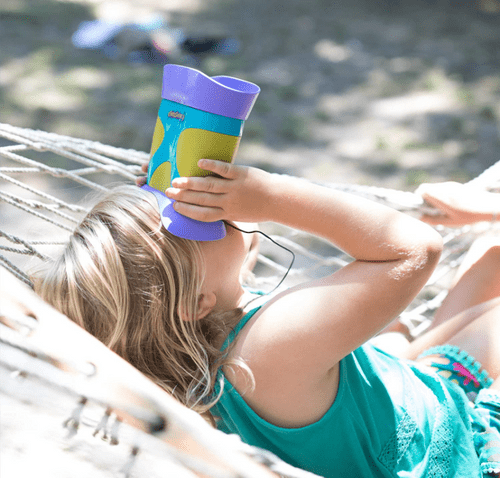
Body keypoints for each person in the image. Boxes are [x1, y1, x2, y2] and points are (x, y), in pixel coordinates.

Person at [36, 160, 500, 477]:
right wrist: (270, 198)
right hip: (459, 450)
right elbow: (415, 249)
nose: (209, 205)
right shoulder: (268, 349)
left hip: (415, 397)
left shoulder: (209, 344)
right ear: (194, 302)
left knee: (491, 254)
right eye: (195, 217)